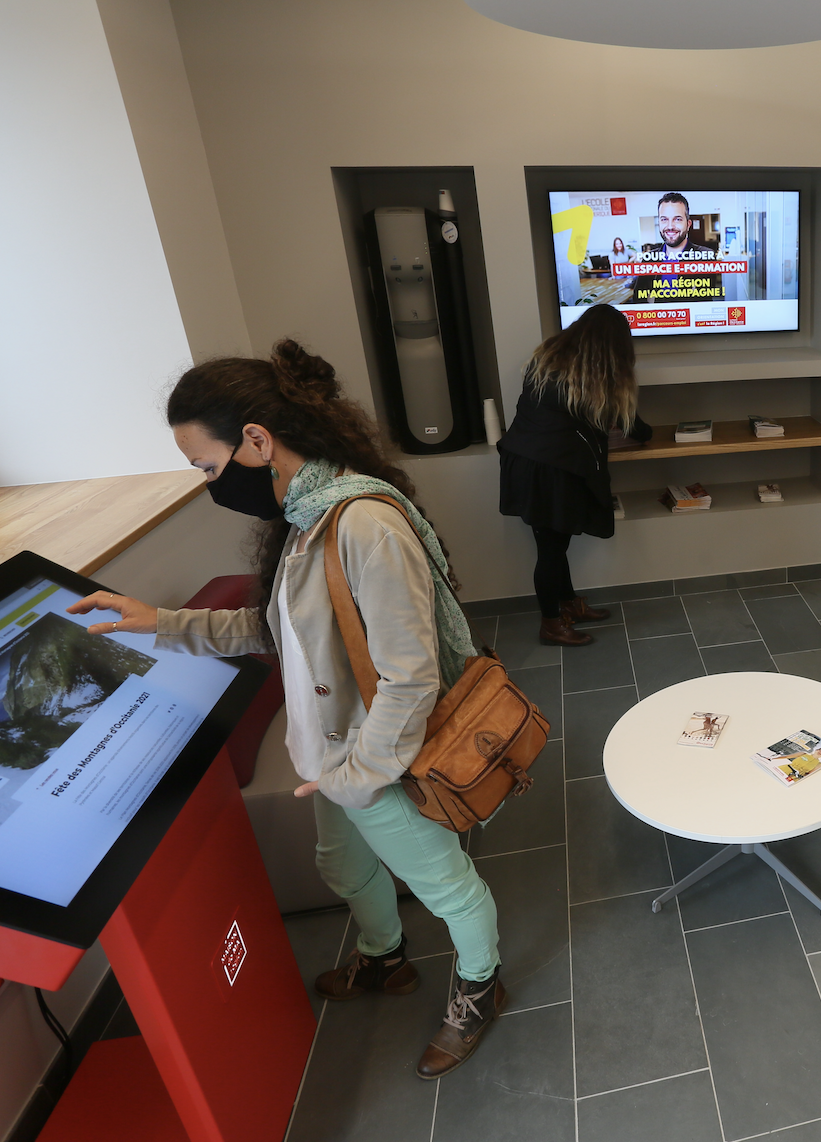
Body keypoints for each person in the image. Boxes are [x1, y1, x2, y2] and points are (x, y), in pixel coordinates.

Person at [66, 340, 503, 1080]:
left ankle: (482, 988)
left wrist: (360, 777)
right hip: (332, 758)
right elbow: (275, 628)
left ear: (257, 441)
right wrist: (157, 622)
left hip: (376, 760)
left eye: (208, 467)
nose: (209, 483)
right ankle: (385, 957)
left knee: (445, 884)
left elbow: (410, 678)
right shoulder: (304, 516)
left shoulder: (362, 524)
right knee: (340, 864)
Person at [497, 304, 650, 646]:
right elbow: (631, 425)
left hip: (524, 461)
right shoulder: (602, 374)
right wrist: (648, 434)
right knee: (551, 550)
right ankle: (552, 625)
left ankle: (568, 604)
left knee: (554, 542)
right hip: (550, 470)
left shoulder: (547, 357)